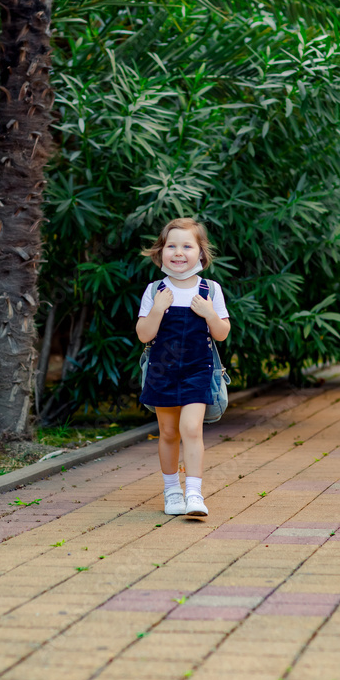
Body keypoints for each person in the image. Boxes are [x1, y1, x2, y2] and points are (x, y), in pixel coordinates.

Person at [136, 218, 230, 517]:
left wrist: (209, 313)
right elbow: (144, 334)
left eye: (187, 246)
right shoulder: (155, 290)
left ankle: (193, 493)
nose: (179, 252)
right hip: (162, 370)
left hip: (197, 369)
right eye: (171, 246)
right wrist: (158, 309)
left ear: (201, 254)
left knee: (191, 428)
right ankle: (171, 491)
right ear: (160, 252)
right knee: (167, 432)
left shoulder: (210, 290)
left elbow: (222, 333)